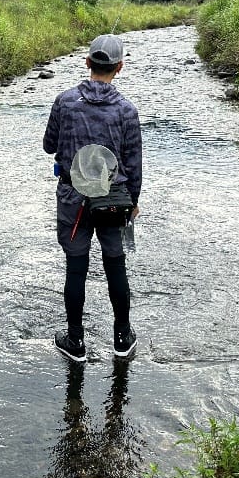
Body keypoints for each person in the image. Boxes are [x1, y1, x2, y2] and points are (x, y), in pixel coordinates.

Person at [43, 34, 142, 362]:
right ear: (120, 67)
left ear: (87, 63)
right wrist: (134, 201)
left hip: (73, 197)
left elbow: (48, 145)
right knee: (115, 264)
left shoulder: (64, 101)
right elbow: (133, 163)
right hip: (113, 199)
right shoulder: (127, 110)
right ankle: (122, 338)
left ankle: (75, 341)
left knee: (76, 267)